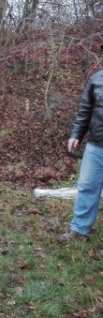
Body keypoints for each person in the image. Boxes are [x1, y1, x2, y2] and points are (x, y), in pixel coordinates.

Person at [63, 68, 103, 241]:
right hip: (96, 145)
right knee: (87, 186)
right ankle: (79, 229)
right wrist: (76, 135)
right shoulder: (97, 79)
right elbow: (85, 110)